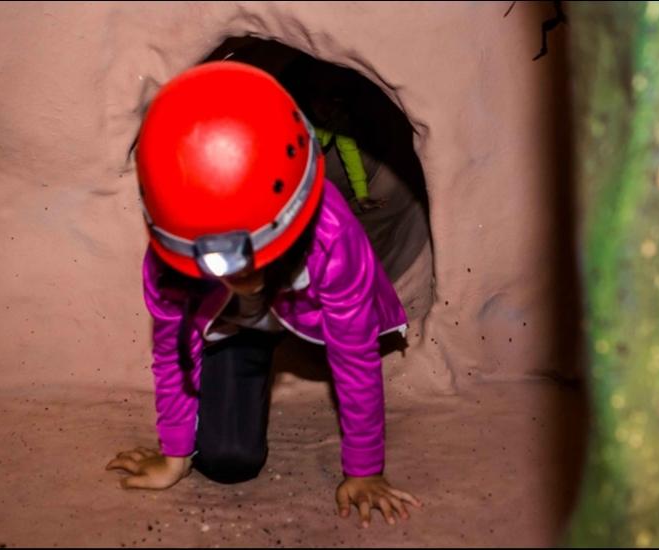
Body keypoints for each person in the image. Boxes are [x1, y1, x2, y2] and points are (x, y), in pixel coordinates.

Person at [104, 61, 422, 528]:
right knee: (229, 462)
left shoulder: (334, 238)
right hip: (236, 327)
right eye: (224, 266)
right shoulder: (169, 260)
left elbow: (355, 356)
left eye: (257, 259)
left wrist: (364, 469)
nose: (244, 276)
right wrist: (175, 454)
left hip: (307, 310)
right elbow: (173, 350)